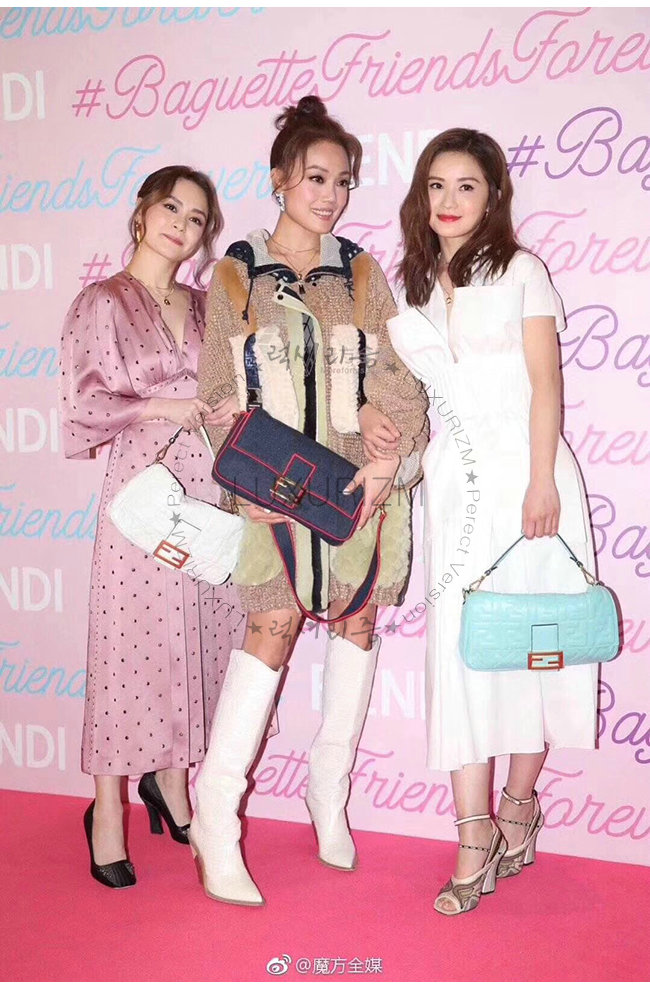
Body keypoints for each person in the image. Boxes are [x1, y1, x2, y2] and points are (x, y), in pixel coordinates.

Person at [191, 95, 429, 907]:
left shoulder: (361, 271)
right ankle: (215, 815)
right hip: (275, 488)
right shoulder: (235, 274)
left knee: (357, 625)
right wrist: (242, 482)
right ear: (280, 179)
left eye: (344, 180)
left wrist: (388, 438)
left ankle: (328, 793)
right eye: (317, 177)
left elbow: (395, 372)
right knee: (274, 625)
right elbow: (217, 391)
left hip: (359, 481)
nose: (332, 194)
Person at [387, 128, 599, 915]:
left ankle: (517, 809)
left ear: (493, 196)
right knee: (463, 651)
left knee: (532, 645)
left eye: (467, 186)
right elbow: (414, 398)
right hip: (453, 484)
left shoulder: (521, 271)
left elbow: (547, 386)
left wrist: (540, 482)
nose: (449, 201)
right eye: (436, 185)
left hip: (527, 477)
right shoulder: (411, 285)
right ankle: (472, 832)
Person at [60, 165, 241, 888]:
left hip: (209, 485)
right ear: (141, 212)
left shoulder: (207, 308)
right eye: (172, 207)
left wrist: (224, 409)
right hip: (141, 494)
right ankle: (107, 807)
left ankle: (172, 781)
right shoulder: (102, 300)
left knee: (200, 637)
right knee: (125, 649)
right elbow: (84, 406)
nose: (182, 225)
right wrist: (164, 406)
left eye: (197, 218)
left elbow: (228, 390)